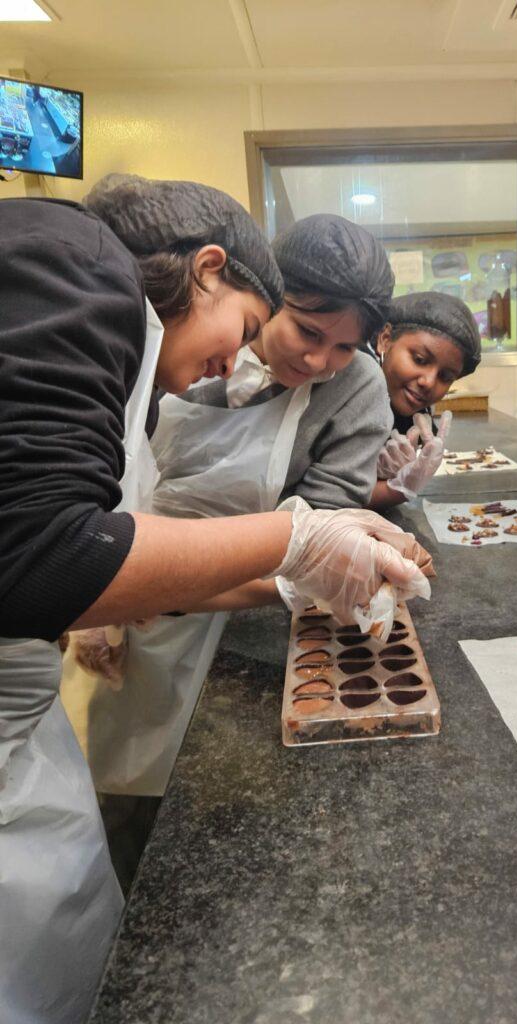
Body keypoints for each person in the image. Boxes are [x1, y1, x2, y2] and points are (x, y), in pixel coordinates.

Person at [0, 180, 430, 1024]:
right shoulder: (85, 274)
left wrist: (299, 555)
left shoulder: (127, 313)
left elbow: (52, 547)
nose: (237, 362)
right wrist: (285, 542)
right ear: (209, 270)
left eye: (344, 348)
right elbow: (49, 545)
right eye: (286, 328)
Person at [65, 212, 398, 811]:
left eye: (345, 346)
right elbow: (108, 467)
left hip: (251, 611)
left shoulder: (355, 389)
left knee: (225, 792)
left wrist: (131, 585)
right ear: (268, 297)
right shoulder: (190, 339)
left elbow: (318, 531)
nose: (319, 361)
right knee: (128, 786)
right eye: (307, 331)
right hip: (130, 591)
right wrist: (97, 595)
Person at [365, 291, 482, 507]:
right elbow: (326, 497)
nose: (428, 382)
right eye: (420, 360)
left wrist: (402, 482)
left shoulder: (416, 413)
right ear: (385, 339)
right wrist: (392, 487)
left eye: (445, 377)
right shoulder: (349, 388)